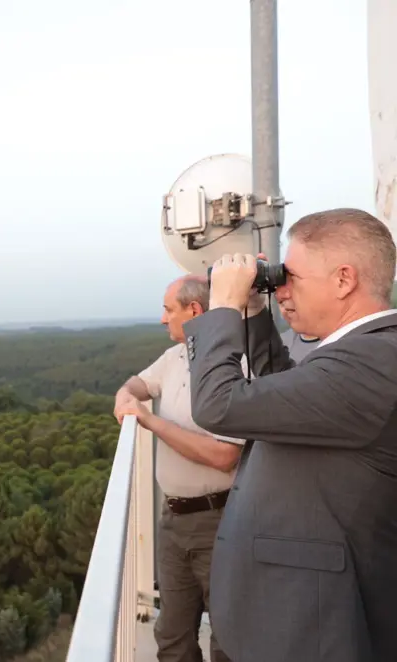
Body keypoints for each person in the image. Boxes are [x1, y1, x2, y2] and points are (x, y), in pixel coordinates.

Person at [183, 208, 397, 662]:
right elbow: (288, 395)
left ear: (344, 279)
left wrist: (222, 306)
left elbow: (218, 404)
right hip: (295, 613)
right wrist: (256, 312)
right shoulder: (362, 354)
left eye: (290, 277)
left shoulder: (374, 361)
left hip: (313, 627)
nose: (281, 291)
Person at [114, 274, 244, 662]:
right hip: (172, 522)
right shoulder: (174, 358)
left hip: (218, 520)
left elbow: (225, 456)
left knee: (227, 635)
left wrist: (151, 422)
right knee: (172, 634)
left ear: (194, 311)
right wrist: (125, 399)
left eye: (168, 309)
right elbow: (137, 385)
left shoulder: (235, 364)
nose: (162, 319)